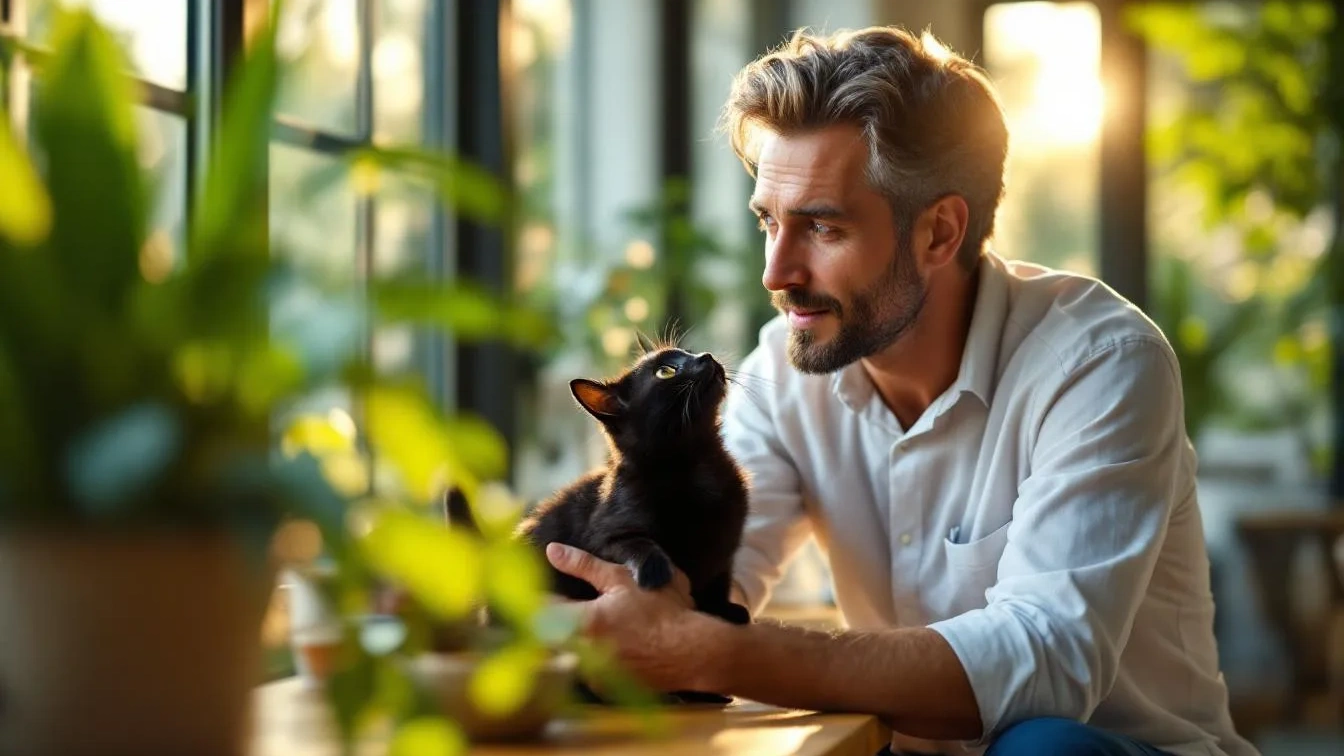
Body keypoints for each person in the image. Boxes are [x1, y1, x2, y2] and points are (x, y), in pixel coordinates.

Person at [542, 24, 1258, 756]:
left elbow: (1045, 666)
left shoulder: (1100, 361)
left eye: (820, 227)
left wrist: (708, 650)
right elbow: (694, 571)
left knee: (1043, 747)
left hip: (1107, 750)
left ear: (940, 233)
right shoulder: (785, 368)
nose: (775, 271)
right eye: (769, 221)